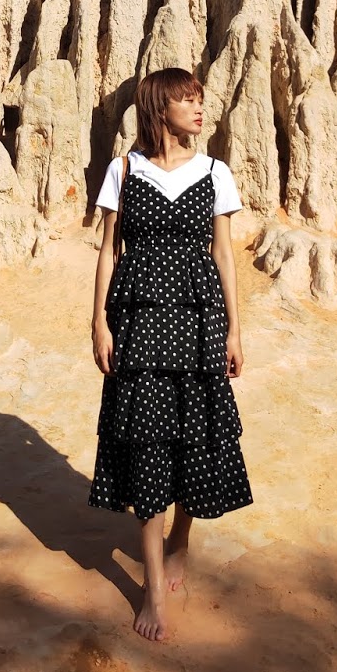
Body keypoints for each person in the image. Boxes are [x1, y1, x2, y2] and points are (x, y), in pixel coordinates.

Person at [88, 66, 253, 642]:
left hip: (199, 320)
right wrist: (98, 323)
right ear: (161, 109)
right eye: (188, 100)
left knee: (195, 434)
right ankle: (153, 589)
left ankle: (181, 538)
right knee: (147, 443)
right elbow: (108, 251)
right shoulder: (124, 170)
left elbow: (224, 255)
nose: (200, 109)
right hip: (139, 324)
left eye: (200, 99)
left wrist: (234, 330)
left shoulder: (215, 172)